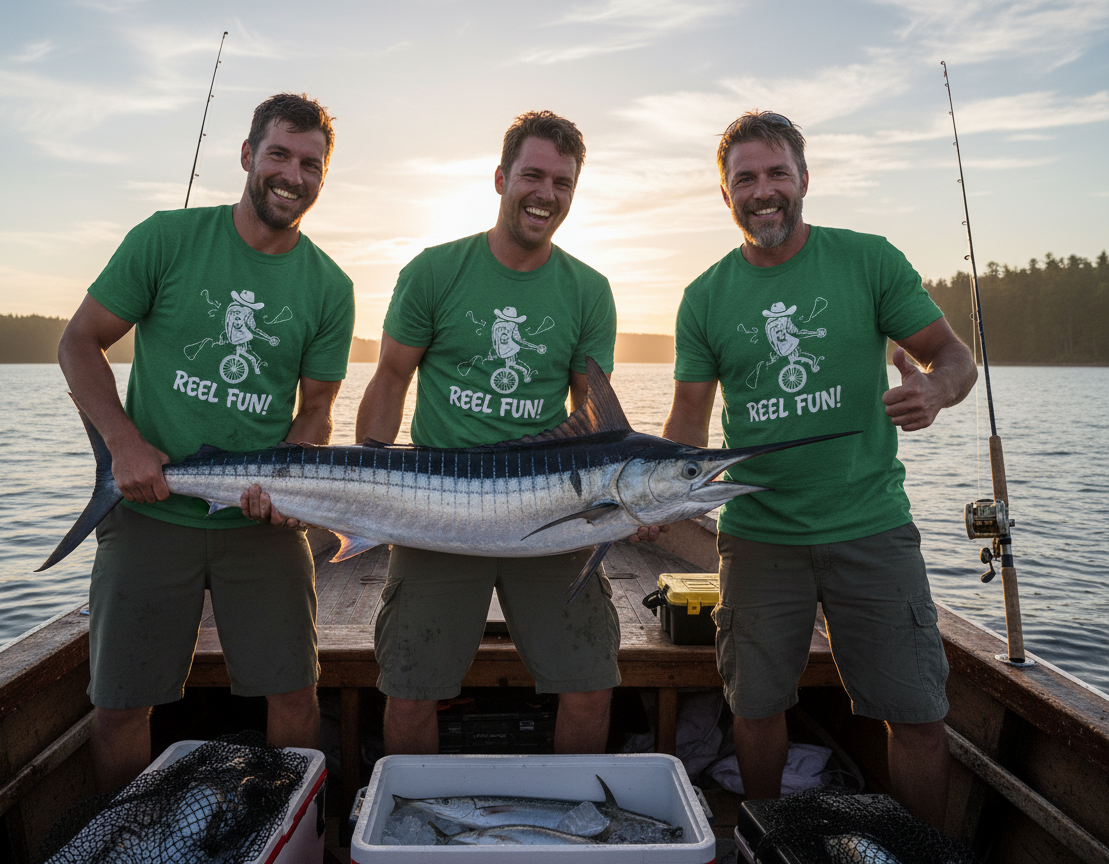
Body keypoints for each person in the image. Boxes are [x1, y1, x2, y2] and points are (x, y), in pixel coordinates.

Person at [658, 110, 977, 829]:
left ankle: (923, 849)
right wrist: (649, 501)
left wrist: (935, 390)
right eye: (745, 178)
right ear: (726, 193)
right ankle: (766, 839)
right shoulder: (705, 297)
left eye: (776, 173)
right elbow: (685, 423)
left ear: (803, 179)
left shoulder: (867, 260)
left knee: (920, 716)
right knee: (756, 708)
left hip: (873, 527)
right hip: (758, 536)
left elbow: (953, 357)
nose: (762, 190)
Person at [58, 93, 355, 792]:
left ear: (322, 178)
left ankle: (288, 829)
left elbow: (316, 412)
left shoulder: (330, 286)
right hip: (150, 509)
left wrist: (295, 489)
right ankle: (124, 840)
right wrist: (124, 443)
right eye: (279, 153)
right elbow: (78, 343)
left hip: (262, 523)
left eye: (311, 163)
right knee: (120, 706)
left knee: (293, 695)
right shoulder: (166, 238)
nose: (293, 174)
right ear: (248, 156)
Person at [356, 110, 620, 756]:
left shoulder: (589, 290)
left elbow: (596, 420)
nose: (546, 194)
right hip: (437, 505)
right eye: (533, 175)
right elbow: (390, 380)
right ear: (501, 178)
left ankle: (573, 826)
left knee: (589, 685)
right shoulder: (434, 271)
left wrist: (632, 501)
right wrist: (362, 481)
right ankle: (408, 835)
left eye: (562, 183)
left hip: (553, 512)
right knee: (411, 686)